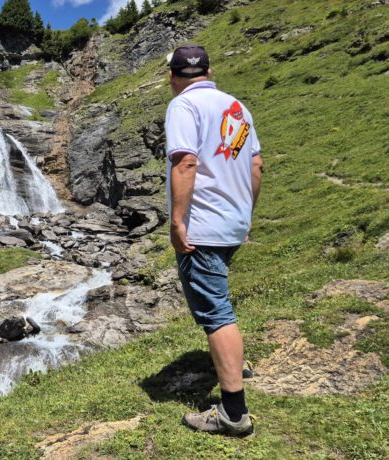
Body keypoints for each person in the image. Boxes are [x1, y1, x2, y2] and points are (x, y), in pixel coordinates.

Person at [164, 44, 264, 436]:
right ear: (208, 70)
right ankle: (235, 365)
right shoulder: (236, 106)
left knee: (215, 313)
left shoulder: (183, 107)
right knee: (220, 297)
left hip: (201, 226)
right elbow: (255, 165)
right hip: (233, 221)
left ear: (172, 76)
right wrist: (246, 212)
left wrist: (176, 222)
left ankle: (233, 415)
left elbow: (186, 161)